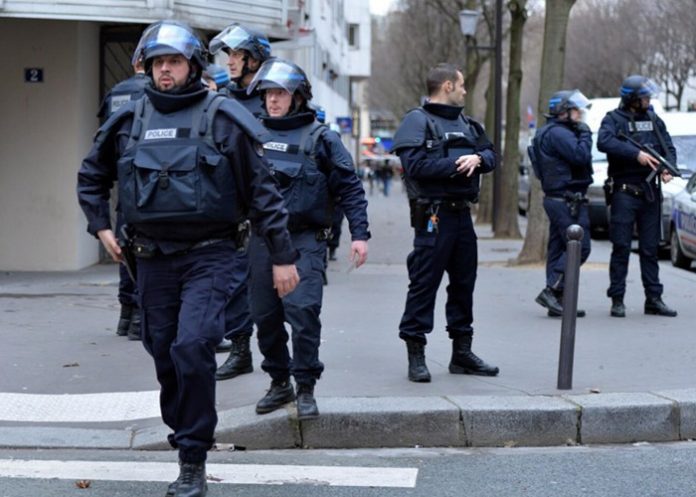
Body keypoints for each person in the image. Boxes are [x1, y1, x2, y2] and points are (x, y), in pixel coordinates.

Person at [77, 21, 299, 497]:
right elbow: (91, 175)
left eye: (173, 62)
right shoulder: (129, 118)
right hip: (150, 258)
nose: (164, 71)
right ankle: (185, 434)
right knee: (163, 352)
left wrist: (282, 257)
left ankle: (193, 458)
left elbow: (263, 193)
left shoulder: (223, 117)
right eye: (158, 62)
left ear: (193, 66)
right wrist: (100, 225)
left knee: (193, 346)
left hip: (211, 255)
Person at [246, 58, 370, 419]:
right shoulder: (252, 135)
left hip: (305, 240)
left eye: (280, 93)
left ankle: (305, 386)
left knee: (302, 313)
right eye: (268, 93)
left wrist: (359, 235)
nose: (272, 100)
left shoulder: (321, 139)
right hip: (261, 242)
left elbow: (350, 188)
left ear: (298, 97)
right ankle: (279, 381)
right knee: (264, 317)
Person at [391, 63, 499, 383]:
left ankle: (461, 354)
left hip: (462, 215)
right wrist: (456, 164)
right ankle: (416, 354)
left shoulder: (467, 123)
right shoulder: (417, 120)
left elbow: (492, 154)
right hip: (433, 216)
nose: (466, 90)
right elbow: (414, 166)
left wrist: (478, 159)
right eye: (462, 85)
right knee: (424, 285)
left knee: (464, 284)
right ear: (448, 86)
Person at [209, 23, 273, 380]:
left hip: (269, 205)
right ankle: (240, 349)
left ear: (254, 58)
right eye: (228, 55)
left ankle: (279, 359)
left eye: (237, 55)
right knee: (233, 282)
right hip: (231, 205)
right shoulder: (222, 99)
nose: (231, 61)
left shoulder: (274, 95)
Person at [597, 75, 677, 318]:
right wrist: (636, 155)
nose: (648, 100)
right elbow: (604, 141)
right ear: (632, 98)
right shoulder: (613, 119)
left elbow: (669, 149)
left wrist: (667, 168)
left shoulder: (653, 119)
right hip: (625, 193)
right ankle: (617, 299)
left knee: (650, 249)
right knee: (621, 247)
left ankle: (653, 298)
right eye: (644, 96)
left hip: (651, 193)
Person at [97, 52, 150, 341]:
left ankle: (125, 316)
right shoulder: (154, 94)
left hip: (125, 183)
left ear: (133, 64)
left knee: (124, 249)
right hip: (152, 183)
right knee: (145, 252)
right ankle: (141, 318)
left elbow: (103, 135)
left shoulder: (115, 94)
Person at [530, 90, 593, 318]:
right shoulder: (559, 133)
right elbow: (580, 156)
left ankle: (557, 300)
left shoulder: (550, 131)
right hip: (567, 199)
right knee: (580, 247)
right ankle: (551, 290)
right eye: (576, 110)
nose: (580, 114)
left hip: (559, 198)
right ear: (563, 111)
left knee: (558, 249)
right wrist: (586, 134)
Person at [209, 23, 271, 117]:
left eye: (236, 55)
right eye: (229, 55)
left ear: (255, 60)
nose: (229, 62)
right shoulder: (223, 96)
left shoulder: (273, 99)